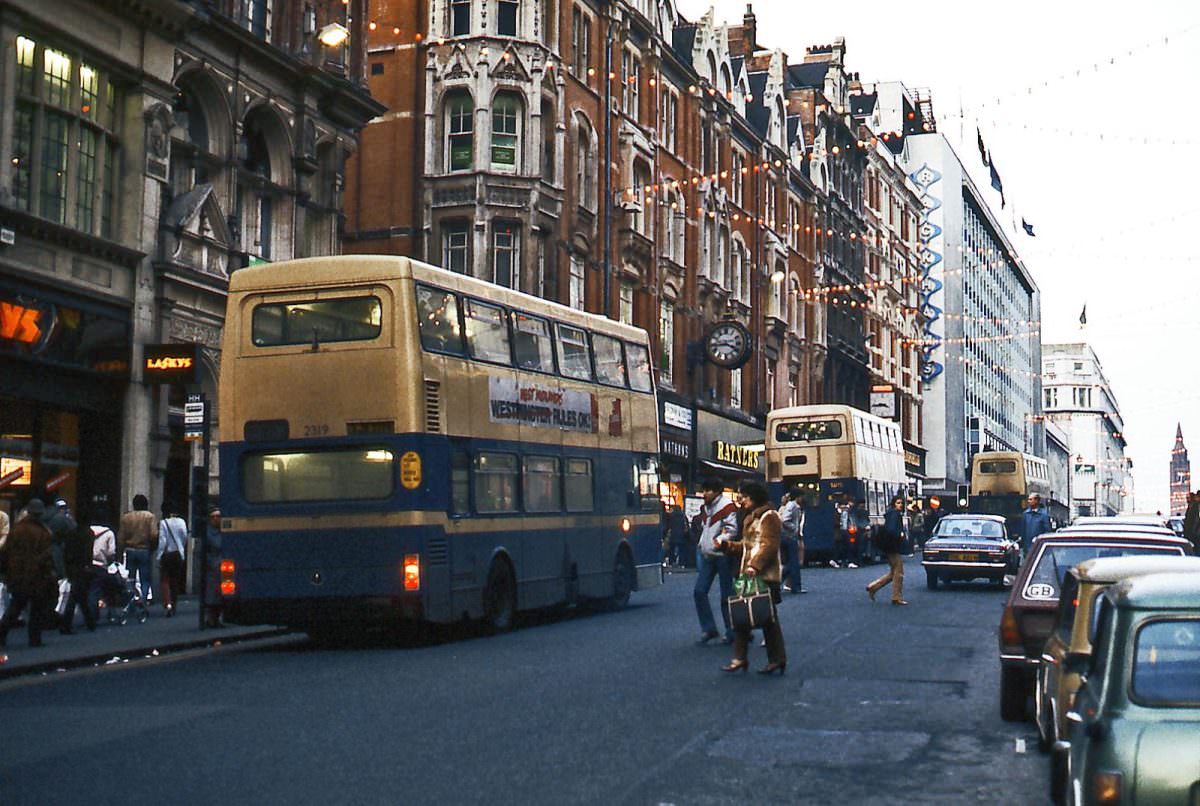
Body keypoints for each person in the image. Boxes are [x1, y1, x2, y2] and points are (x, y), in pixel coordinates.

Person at [719, 481, 787, 675]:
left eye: (745, 497)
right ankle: (740, 658)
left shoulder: (769, 516)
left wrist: (754, 565)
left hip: (763, 574)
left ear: (754, 496)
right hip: (748, 572)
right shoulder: (750, 517)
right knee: (742, 615)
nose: (742, 501)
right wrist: (726, 546)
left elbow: (769, 545)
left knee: (767, 619)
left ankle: (776, 659)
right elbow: (746, 546)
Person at [0, 500, 57, 648]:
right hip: (37, 576)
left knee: (16, 606)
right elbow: (47, 556)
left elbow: (5, 553)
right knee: (37, 609)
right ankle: (34, 639)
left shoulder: (17, 529)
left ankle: (2, 634)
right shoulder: (43, 532)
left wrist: (6, 573)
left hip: (17, 575)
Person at [693, 479, 737, 645]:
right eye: (704, 490)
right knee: (699, 591)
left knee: (726, 595)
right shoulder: (707, 507)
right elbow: (706, 528)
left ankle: (731, 630)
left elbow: (731, 529)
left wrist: (718, 541)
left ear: (717, 491)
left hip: (723, 555)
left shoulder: (727, 506)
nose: (704, 493)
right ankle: (709, 628)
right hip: (709, 555)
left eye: (708, 490)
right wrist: (702, 544)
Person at [866, 496, 909, 606]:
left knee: (893, 573)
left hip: (888, 547)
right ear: (894, 504)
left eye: (901, 503)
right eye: (898, 503)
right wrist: (900, 534)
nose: (900, 505)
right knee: (899, 573)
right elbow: (891, 530)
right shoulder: (895, 514)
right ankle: (896, 597)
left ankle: (873, 587)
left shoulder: (890, 514)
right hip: (892, 547)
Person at [59, 512, 98, 633]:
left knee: (80, 596)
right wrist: (88, 566)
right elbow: (88, 552)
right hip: (82, 567)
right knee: (77, 596)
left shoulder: (71, 533)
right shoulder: (88, 533)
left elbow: (65, 552)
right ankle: (67, 624)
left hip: (72, 566)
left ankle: (89, 622)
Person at [117, 494, 158, 606]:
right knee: (145, 579)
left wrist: (120, 554)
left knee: (130, 579)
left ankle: (130, 602)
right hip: (144, 549)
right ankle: (143, 601)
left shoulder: (126, 517)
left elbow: (121, 537)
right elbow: (154, 534)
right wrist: (153, 547)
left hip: (130, 549)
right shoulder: (150, 517)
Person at [156, 504, 188, 617]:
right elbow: (185, 536)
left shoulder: (164, 523)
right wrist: (181, 547)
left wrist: (159, 555)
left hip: (167, 554)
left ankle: (167, 603)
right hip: (178, 554)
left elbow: (162, 540)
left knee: (165, 580)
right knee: (175, 580)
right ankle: (174, 604)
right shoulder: (182, 522)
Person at [778, 487, 806, 594]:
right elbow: (785, 520)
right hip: (790, 537)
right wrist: (794, 528)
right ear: (798, 497)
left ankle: (782, 582)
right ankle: (795, 586)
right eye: (801, 496)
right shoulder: (793, 506)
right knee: (794, 562)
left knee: (790, 562)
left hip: (786, 537)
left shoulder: (791, 505)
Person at [204, 507, 224, 628]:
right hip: (212, 565)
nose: (216, 519)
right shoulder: (207, 532)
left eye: (218, 516)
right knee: (212, 594)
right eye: (213, 517)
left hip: (222, 565)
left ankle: (216, 618)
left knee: (220, 595)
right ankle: (211, 618)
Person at [666, 504, 688, 568]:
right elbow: (686, 526)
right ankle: (682, 563)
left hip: (673, 535)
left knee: (671, 550)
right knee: (682, 550)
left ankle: (671, 562)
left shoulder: (671, 516)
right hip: (681, 535)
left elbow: (668, 526)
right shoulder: (683, 516)